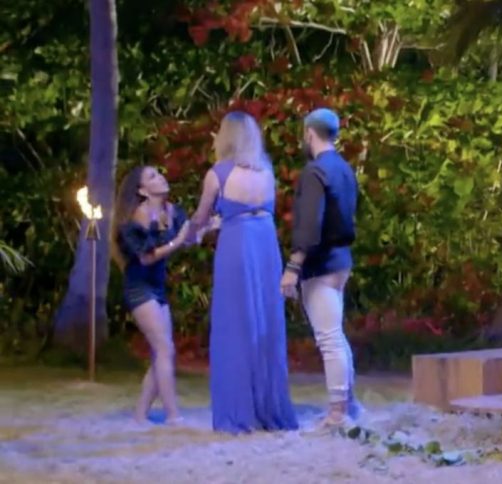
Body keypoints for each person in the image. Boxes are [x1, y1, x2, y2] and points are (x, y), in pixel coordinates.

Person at [190, 111, 298, 434]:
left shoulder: (218, 173)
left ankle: (238, 411)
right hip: (265, 243)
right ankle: (270, 407)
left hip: (237, 245)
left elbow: (200, 217)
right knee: (266, 321)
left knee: (235, 323)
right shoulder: (266, 171)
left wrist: (193, 231)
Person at [279, 108, 362, 431]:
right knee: (336, 335)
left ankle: (338, 412)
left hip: (321, 262)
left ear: (309, 133)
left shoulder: (315, 172)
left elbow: (309, 224)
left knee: (329, 338)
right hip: (341, 259)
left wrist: (293, 266)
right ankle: (348, 404)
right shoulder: (344, 169)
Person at [112, 165, 192, 425]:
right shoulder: (137, 217)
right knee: (164, 348)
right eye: (152, 176)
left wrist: (207, 227)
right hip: (139, 286)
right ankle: (173, 415)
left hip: (157, 285)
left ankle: (140, 415)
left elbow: (188, 236)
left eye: (159, 173)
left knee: (161, 352)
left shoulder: (172, 211)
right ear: (143, 191)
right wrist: (178, 241)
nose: (161, 177)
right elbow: (146, 258)